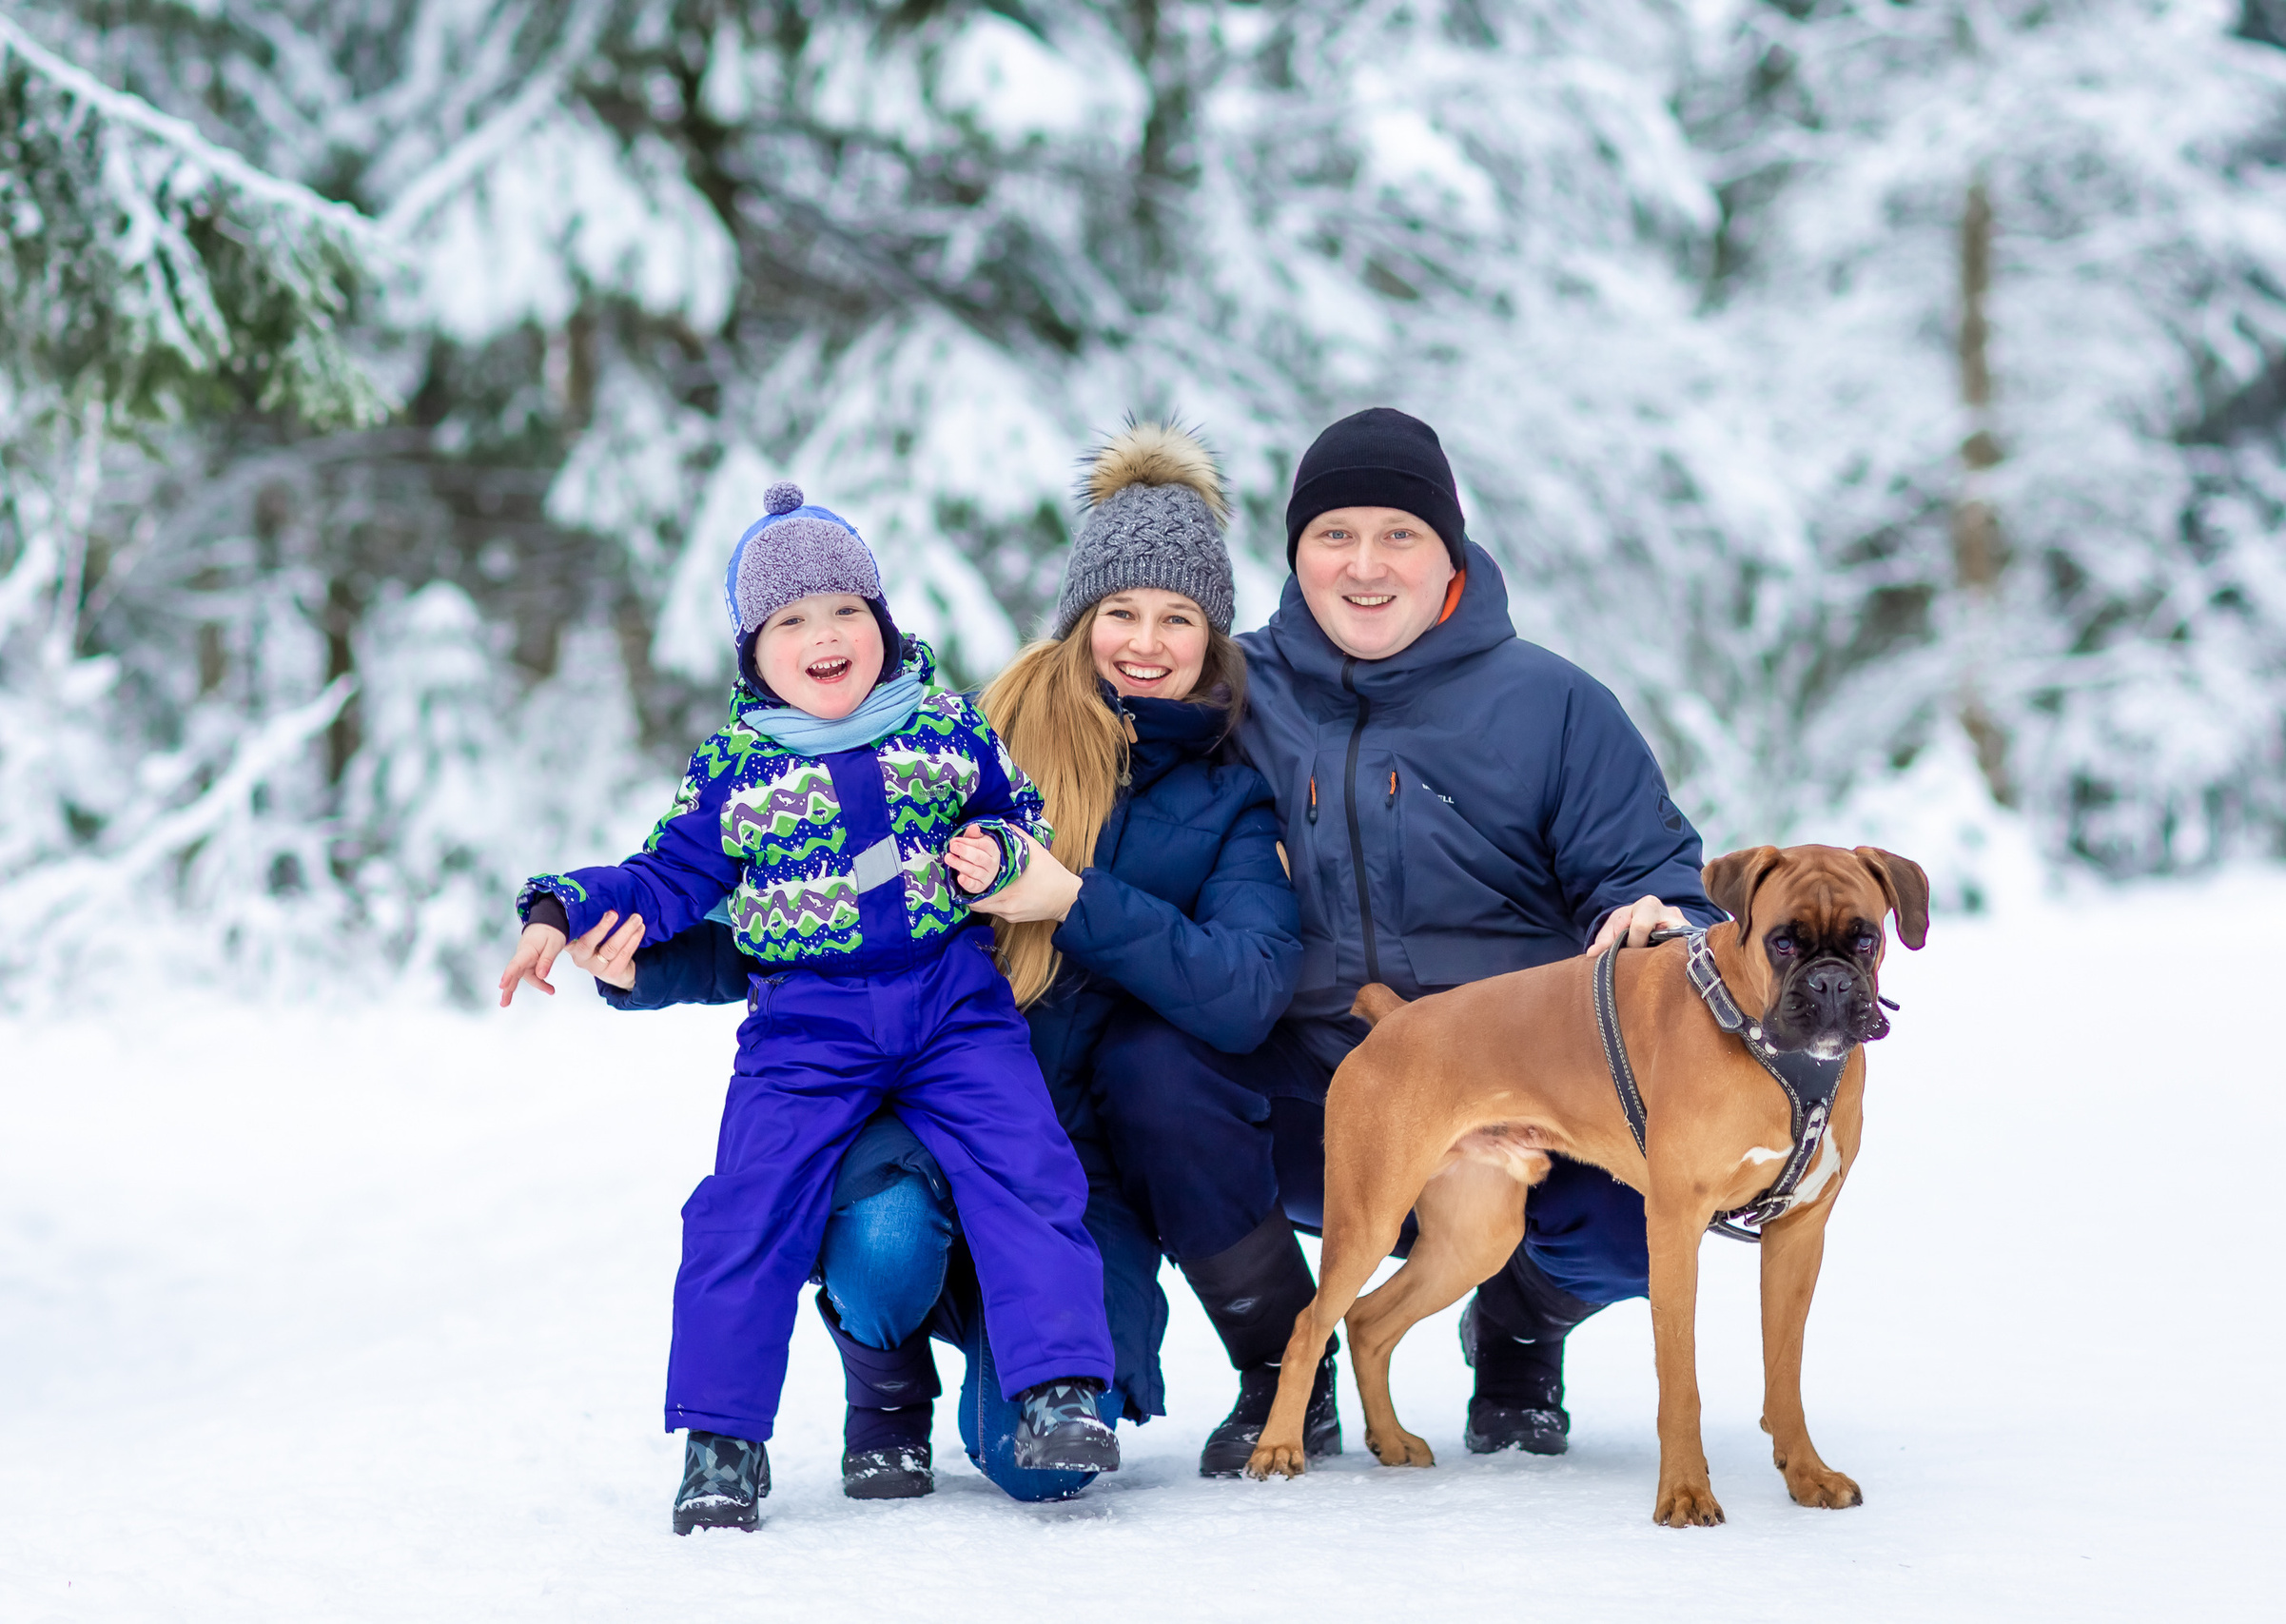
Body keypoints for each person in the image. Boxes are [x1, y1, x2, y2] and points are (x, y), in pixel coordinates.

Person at [574, 424, 1304, 1501]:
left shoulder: (1225, 797)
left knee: (1038, 1468)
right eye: (1120, 612)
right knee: (870, 1233)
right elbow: (808, 922)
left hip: (1067, 1163)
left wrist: (1067, 896)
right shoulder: (968, 731)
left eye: (1177, 617)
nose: (1144, 643)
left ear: (1212, 636)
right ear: (1079, 618)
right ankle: (876, 1386)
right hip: (906, 1110)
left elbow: (1243, 992)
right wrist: (646, 963)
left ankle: (1060, 1385)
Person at [1089, 407, 1728, 1472]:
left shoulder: (1554, 705)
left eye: (1400, 535)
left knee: (1648, 1205)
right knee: (1149, 1070)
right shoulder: (1233, 690)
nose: (1365, 565)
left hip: (1524, 1089)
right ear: (1295, 555)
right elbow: (1104, 729)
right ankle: (1278, 1367)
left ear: (1450, 555)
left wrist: (1667, 918)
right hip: (1312, 1081)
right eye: (1334, 535)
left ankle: (1519, 1335)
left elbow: (1649, 873)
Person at [496, 483, 1119, 1534]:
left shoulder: (946, 726)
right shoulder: (736, 769)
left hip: (950, 1000)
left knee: (1027, 1163)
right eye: (790, 620)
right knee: (746, 1206)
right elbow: (662, 877)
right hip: (806, 1025)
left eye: (844, 611)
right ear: (753, 650)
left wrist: (1002, 853)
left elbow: (1021, 815)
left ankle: (1055, 1389)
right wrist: (564, 907)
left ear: (880, 623)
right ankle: (721, 1443)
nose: (823, 634)